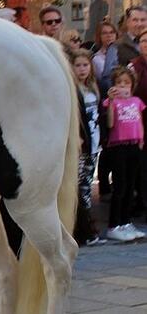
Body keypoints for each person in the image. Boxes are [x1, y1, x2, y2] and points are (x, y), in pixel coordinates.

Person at [102, 66, 147, 242]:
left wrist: (141, 140)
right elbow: (110, 124)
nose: (122, 86)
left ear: (132, 85)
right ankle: (114, 225)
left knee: (130, 186)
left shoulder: (137, 101)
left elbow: (139, 121)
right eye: (119, 83)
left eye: (126, 83)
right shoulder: (111, 102)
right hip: (118, 146)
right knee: (119, 186)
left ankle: (125, 221)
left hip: (134, 145)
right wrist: (111, 102)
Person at [71, 50, 103, 246]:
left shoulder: (93, 88)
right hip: (81, 147)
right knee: (77, 188)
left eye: (85, 65)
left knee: (86, 187)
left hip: (94, 145)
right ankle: (81, 229)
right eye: (78, 65)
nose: (82, 69)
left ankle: (87, 227)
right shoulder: (73, 90)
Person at [93, 21, 119, 90]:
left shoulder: (122, 51)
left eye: (112, 32)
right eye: (104, 33)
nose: (109, 35)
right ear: (99, 36)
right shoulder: (96, 58)